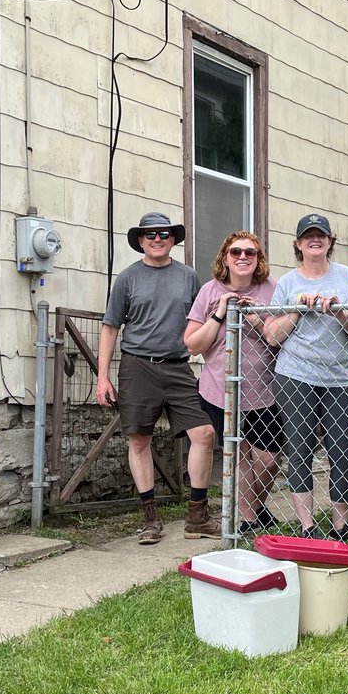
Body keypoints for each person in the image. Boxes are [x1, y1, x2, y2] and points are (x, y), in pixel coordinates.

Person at [96, 212, 220, 545]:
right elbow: (110, 326)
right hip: (137, 366)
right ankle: (151, 519)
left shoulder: (188, 277)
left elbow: (203, 322)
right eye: (150, 234)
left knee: (204, 433)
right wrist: (102, 377)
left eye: (164, 234)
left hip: (179, 367)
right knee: (139, 441)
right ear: (140, 240)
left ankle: (197, 515)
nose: (157, 239)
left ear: (173, 239)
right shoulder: (127, 278)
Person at [260, 213, 348, 542]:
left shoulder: (347, 276)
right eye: (308, 235)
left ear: (330, 241)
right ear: (298, 244)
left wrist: (339, 310)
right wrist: (298, 309)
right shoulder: (287, 283)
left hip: (340, 377)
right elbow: (271, 335)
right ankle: (307, 526)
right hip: (296, 375)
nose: (315, 240)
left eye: (320, 234)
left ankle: (340, 526)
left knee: (342, 450)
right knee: (300, 448)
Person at [184, 231, 283, 534]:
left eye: (250, 253)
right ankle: (248, 522)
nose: (242, 257)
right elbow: (192, 345)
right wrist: (219, 314)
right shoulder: (209, 291)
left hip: (264, 390)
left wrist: (255, 318)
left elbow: (281, 339)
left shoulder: (272, 289)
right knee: (239, 458)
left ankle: (255, 508)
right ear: (225, 258)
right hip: (220, 390)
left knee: (268, 459)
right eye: (235, 252)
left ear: (258, 259)